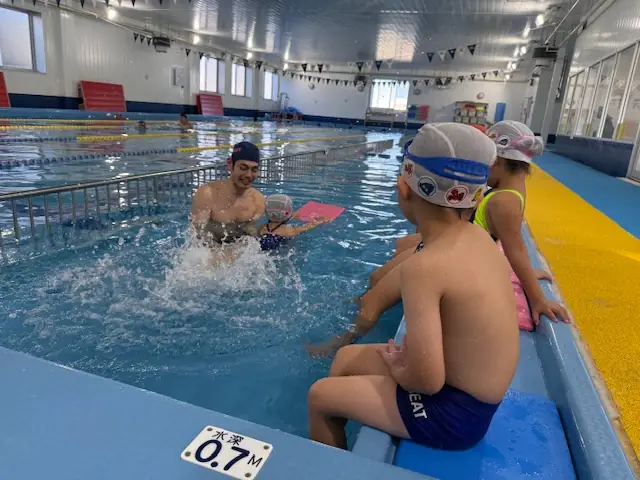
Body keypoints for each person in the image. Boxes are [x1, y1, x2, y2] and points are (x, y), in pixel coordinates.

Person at [307, 123, 519, 451]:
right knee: (346, 359)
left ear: (404, 188)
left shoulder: (426, 266)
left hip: (454, 414)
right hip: (470, 395)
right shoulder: (478, 238)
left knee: (320, 396)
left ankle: (330, 464)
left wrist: (399, 370)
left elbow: (426, 380)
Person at [473, 120, 569, 324]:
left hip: (466, 265)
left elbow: (515, 251)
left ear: (496, 161)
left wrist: (538, 300)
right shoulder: (515, 190)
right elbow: (514, 242)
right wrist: (528, 273)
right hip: (472, 256)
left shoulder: (503, 201)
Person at [191, 141, 265, 247]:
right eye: (243, 168)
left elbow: (253, 237)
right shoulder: (207, 194)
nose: (249, 175)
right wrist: (222, 254)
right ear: (230, 164)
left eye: (254, 170)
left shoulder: (258, 201)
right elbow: (198, 234)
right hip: (209, 250)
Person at [259, 194, 329, 250]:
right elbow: (307, 227)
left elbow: (280, 217)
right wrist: (320, 220)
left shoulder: (263, 227)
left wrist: (296, 214)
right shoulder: (289, 230)